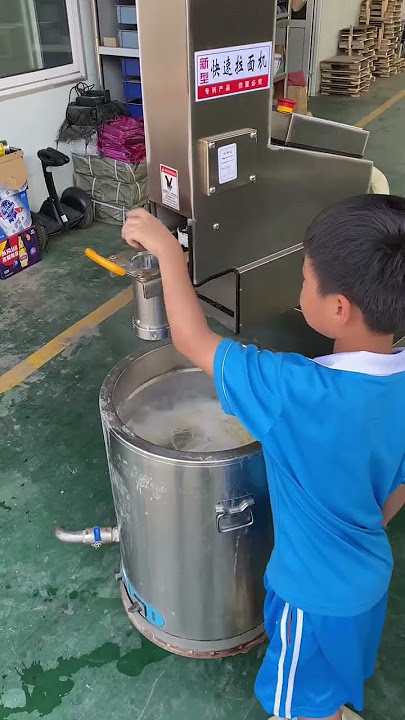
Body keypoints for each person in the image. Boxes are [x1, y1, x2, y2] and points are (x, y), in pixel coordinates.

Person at [122, 194, 405, 720]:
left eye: (304, 278)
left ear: (339, 308)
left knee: (295, 702)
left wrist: (168, 252)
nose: (300, 289)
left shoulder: (294, 392)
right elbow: (395, 490)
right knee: (337, 676)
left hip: (310, 597)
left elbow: (190, 338)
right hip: (368, 578)